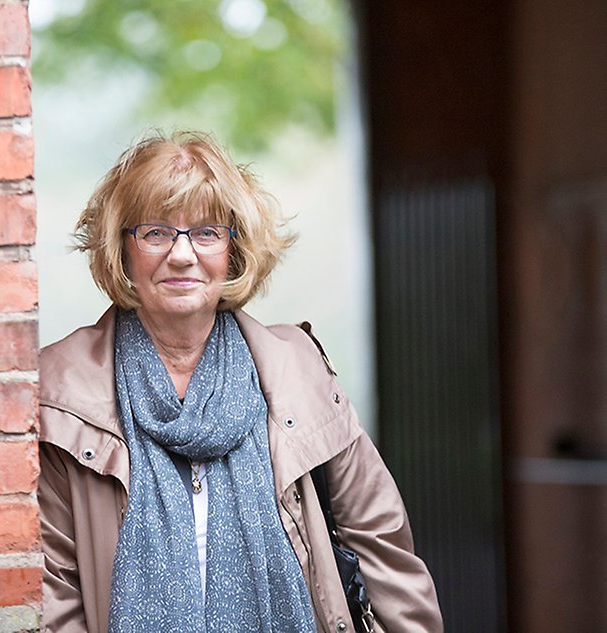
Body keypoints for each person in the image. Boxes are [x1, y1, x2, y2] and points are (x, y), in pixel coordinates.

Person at [38, 131, 443, 633]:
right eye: (156, 232)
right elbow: (55, 594)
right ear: (122, 249)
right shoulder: (63, 393)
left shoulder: (298, 370)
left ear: (233, 249)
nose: (182, 255)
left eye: (206, 232)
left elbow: (381, 543)